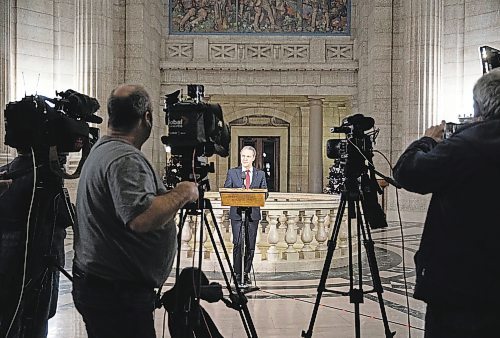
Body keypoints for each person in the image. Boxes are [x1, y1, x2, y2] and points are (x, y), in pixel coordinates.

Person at [72, 84, 199, 338]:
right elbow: (141, 218)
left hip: (105, 287)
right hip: (118, 296)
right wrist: (183, 192)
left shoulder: (103, 149)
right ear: (147, 117)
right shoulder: (124, 159)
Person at [393, 68, 500, 338]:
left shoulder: (469, 144)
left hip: (462, 285)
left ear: (480, 106)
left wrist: (427, 140)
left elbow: (408, 173)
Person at [0, 153, 69, 338]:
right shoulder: (34, 180)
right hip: (36, 264)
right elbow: (65, 218)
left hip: (15, 265)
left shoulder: (7, 175)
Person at [224, 145, 267, 286]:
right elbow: (227, 189)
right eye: (243, 156)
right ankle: (237, 273)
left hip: (252, 214)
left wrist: (253, 194)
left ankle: (246, 273)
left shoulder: (260, 174)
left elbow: (265, 193)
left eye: (248, 156)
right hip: (237, 214)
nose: (245, 159)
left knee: (250, 245)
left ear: (253, 158)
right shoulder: (233, 172)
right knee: (238, 243)